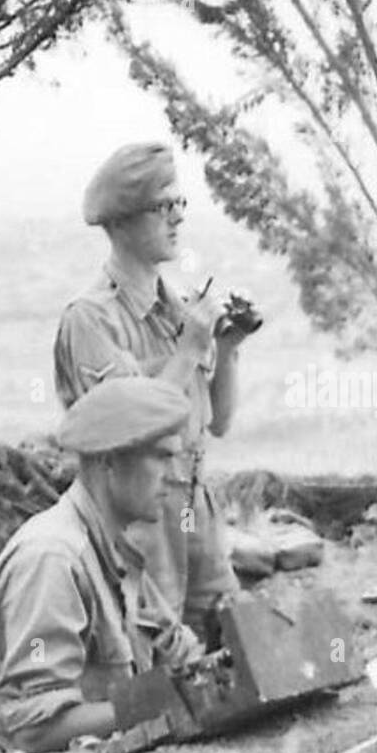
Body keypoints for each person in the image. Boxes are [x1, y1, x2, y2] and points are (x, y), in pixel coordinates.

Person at [53, 142, 246, 639]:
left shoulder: (179, 310)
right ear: (119, 223)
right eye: (163, 208)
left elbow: (218, 423)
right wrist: (187, 351)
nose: (177, 219)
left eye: (180, 205)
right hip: (140, 515)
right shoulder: (91, 320)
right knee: (149, 652)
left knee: (224, 643)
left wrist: (226, 349)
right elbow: (126, 433)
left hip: (194, 505)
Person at [0, 376, 205, 753]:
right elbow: (34, 732)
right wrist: (159, 704)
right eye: (161, 456)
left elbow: (178, 654)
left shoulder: (113, 552)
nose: (174, 475)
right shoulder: (51, 559)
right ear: (110, 461)